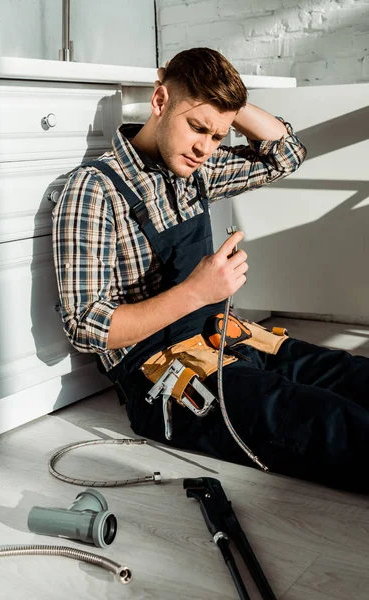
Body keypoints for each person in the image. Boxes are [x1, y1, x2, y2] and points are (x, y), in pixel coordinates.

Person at [52, 47, 368, 493]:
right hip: (167, 378)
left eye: (218, 136)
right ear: (160, 102)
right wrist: (196, 293)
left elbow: (286, 153)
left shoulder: (196, 169)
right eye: (196, 126)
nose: (205, 148)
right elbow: (86, 327)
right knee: (334, 424)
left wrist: (227, 108)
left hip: (225, 336)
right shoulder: (94, 190)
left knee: (352, 376)